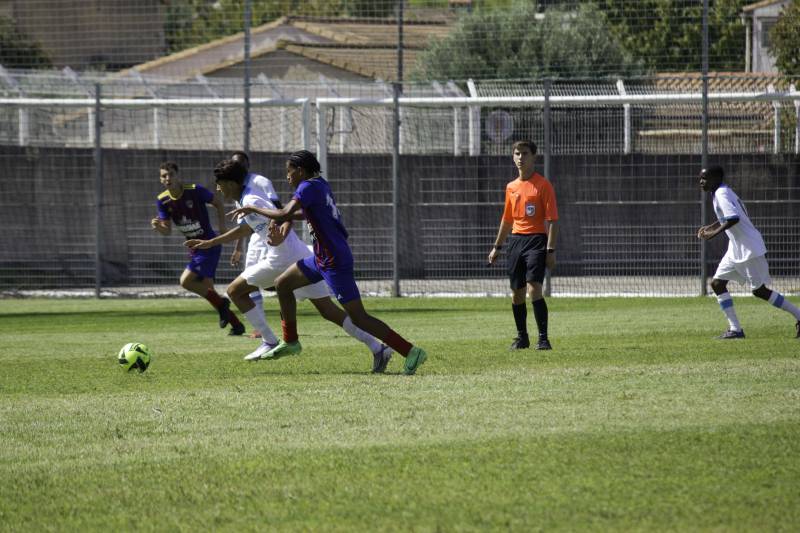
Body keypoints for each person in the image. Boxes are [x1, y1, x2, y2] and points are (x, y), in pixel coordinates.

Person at [227, 150, 428, 375]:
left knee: (359, 317)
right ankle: (291, 341)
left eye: (289, 172)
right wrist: (286, 217)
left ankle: (410, 351)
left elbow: (283, 213)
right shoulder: (319, 184)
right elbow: (306, 214)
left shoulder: (306, 187)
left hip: (334, 260)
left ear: (300, 171)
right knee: (283, 283)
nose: (287, 177)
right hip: (321, 257)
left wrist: (253, 209)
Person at [186, 159, 393, 372]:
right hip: (299, 255)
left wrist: (280, 235)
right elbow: (247, 228)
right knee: (328, 311)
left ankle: (270, 340)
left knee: (235, 291)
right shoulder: (244, 200)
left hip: (281, 259)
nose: (217, 188)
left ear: (230, 183)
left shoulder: (251, 198)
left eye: (219, 183)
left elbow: (284, 215)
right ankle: (378, 348)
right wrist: (210, 243)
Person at [697, 165, 800, 339]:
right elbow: (730, 216)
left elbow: (734, 219)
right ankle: (735, 329)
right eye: (700, 178)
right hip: (736, 247)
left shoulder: (721, 194)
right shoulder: (721, 192)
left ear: (716, 179)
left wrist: (713, 234)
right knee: (717, 284)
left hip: (748, 247)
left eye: (705, 178)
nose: (701, 182)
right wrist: (712, 226)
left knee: (759, 291)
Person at [151, 161, 245, 336]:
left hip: (209, 244)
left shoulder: (194, 190)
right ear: (160, 179)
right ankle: (237, 324)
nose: (168, 178)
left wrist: (223, 228)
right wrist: (158, 227)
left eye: (171, 174)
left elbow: (218, 202)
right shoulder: (162, 200)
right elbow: (167, 231)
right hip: (194, 249)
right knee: (210, 293)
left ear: (178, 175)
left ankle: (225, 305)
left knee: (185, 281)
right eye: (164, 175)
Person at [487, 140, 559, 351]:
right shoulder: (511, 187)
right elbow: (507, 219)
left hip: (537, 240)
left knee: (533, 288)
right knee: (517, 292)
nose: (520, 157)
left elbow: (553, 220)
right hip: (516, 242)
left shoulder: (543, 185)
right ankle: (522, 337)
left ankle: (543, 338)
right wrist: (497, 247)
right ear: (513, 157)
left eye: (525, 153)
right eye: (517, 154)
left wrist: (551, 250)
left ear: (533, 157)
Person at [228, 151, 270, 339]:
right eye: (235, 164)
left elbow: (275, 207)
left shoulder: (259, 183)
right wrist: (238, 248)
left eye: (242, 164)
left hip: (270, 235)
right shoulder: (236, 189)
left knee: (289, 282)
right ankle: (260, 328)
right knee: (249, 280)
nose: (239, 168)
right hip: (255, 238)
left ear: (248, 166)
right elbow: (243, 224)